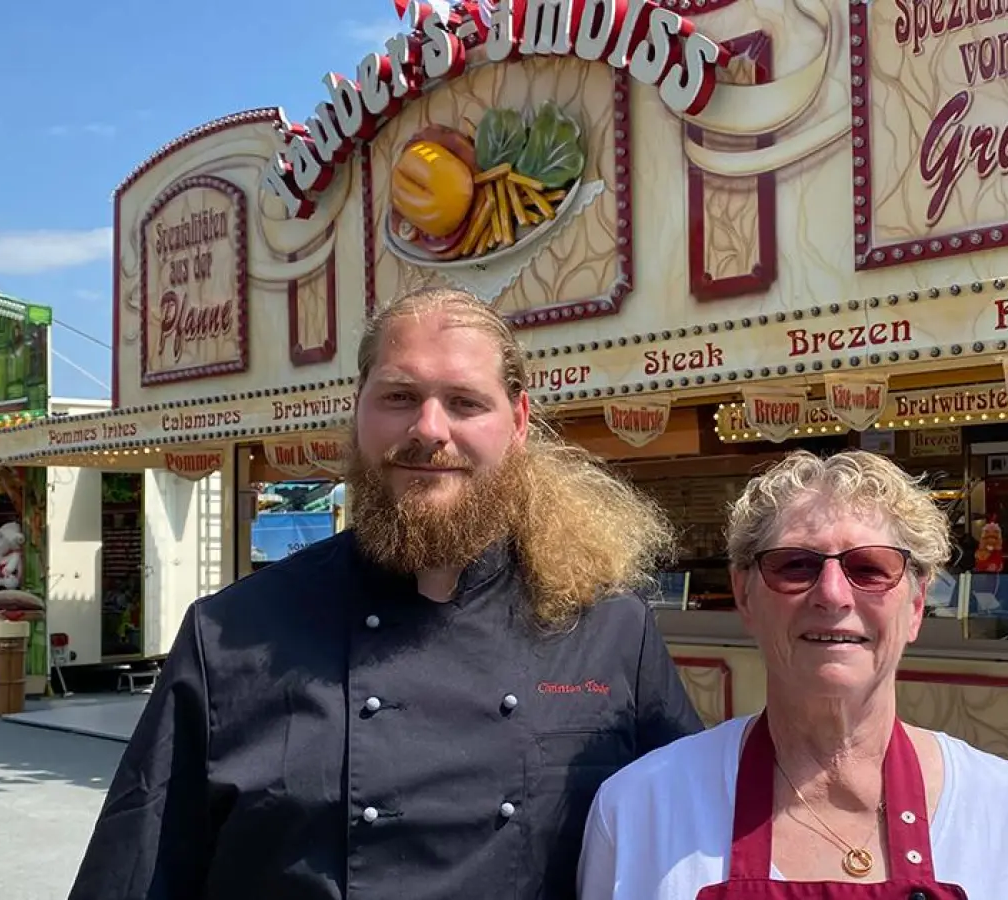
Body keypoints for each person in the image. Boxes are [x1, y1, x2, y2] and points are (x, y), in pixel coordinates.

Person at [69, 287, 704, 900]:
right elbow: (133, 878)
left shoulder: (611, 631)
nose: (429, 429)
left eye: (464, 402)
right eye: (399, 396)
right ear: (358, 411)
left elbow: (693, 848)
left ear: (518, 422)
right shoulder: (228, 636)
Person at [578, 450, 1008, 899]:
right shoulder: (638, 812)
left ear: (917, 603)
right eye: (795, 565)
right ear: (744, 595)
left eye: (870, 567)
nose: (832, 593)